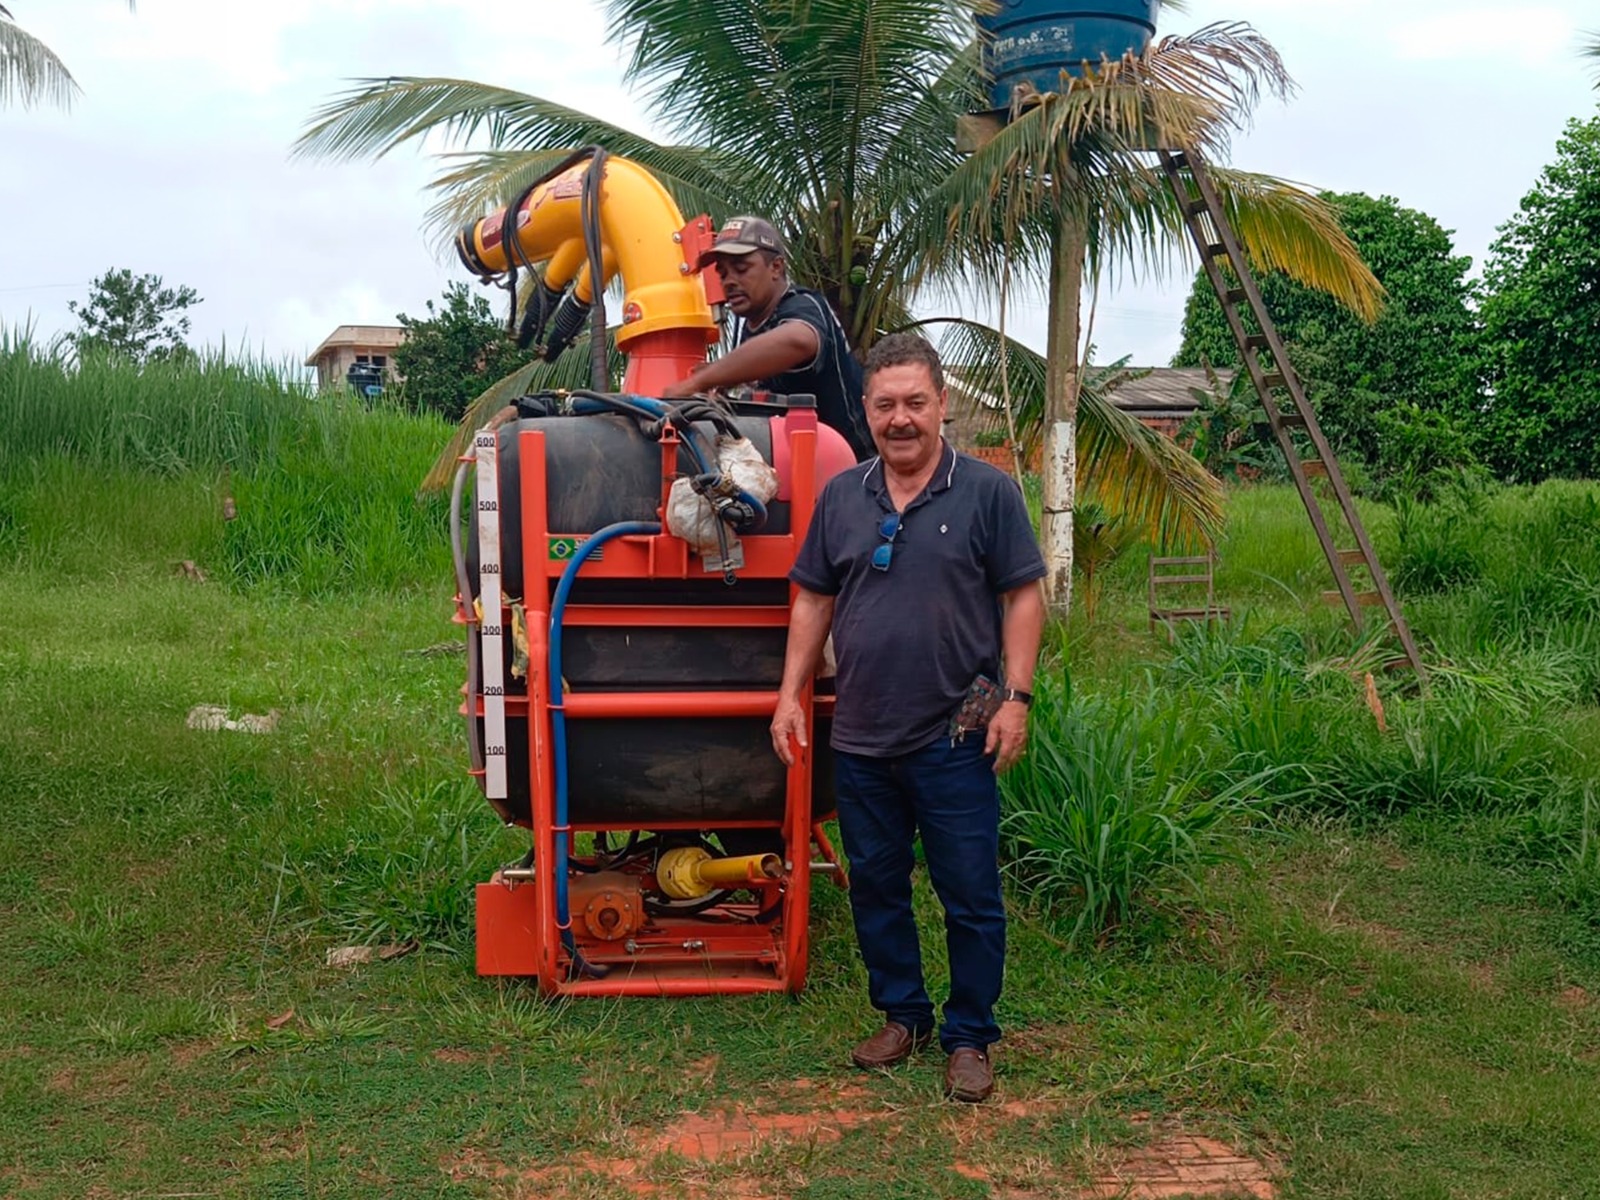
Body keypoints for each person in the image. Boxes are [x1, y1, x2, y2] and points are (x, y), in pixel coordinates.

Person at [769, 332, 1047, 1103]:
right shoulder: (842, 497)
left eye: (916, 403)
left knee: (970, 893)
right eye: (885, 404)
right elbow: (813, 599)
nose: (901, 419)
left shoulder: (987, 492)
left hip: (962, 725)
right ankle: (903, 1015)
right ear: (865, 410)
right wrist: (789, 693)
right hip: (862, 732)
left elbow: (1023, 595)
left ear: (942, 405)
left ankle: (970, 1035)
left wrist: (1016, 699)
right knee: (876, 886)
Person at [661, 216, 874, 460]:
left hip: (859, 465)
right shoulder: (750, 329)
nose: (729, 281)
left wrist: (699, 381)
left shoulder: (803, 305)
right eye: (723, 273)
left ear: (776, 267)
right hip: (797, 468)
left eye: (741, 269)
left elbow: (799, 340)